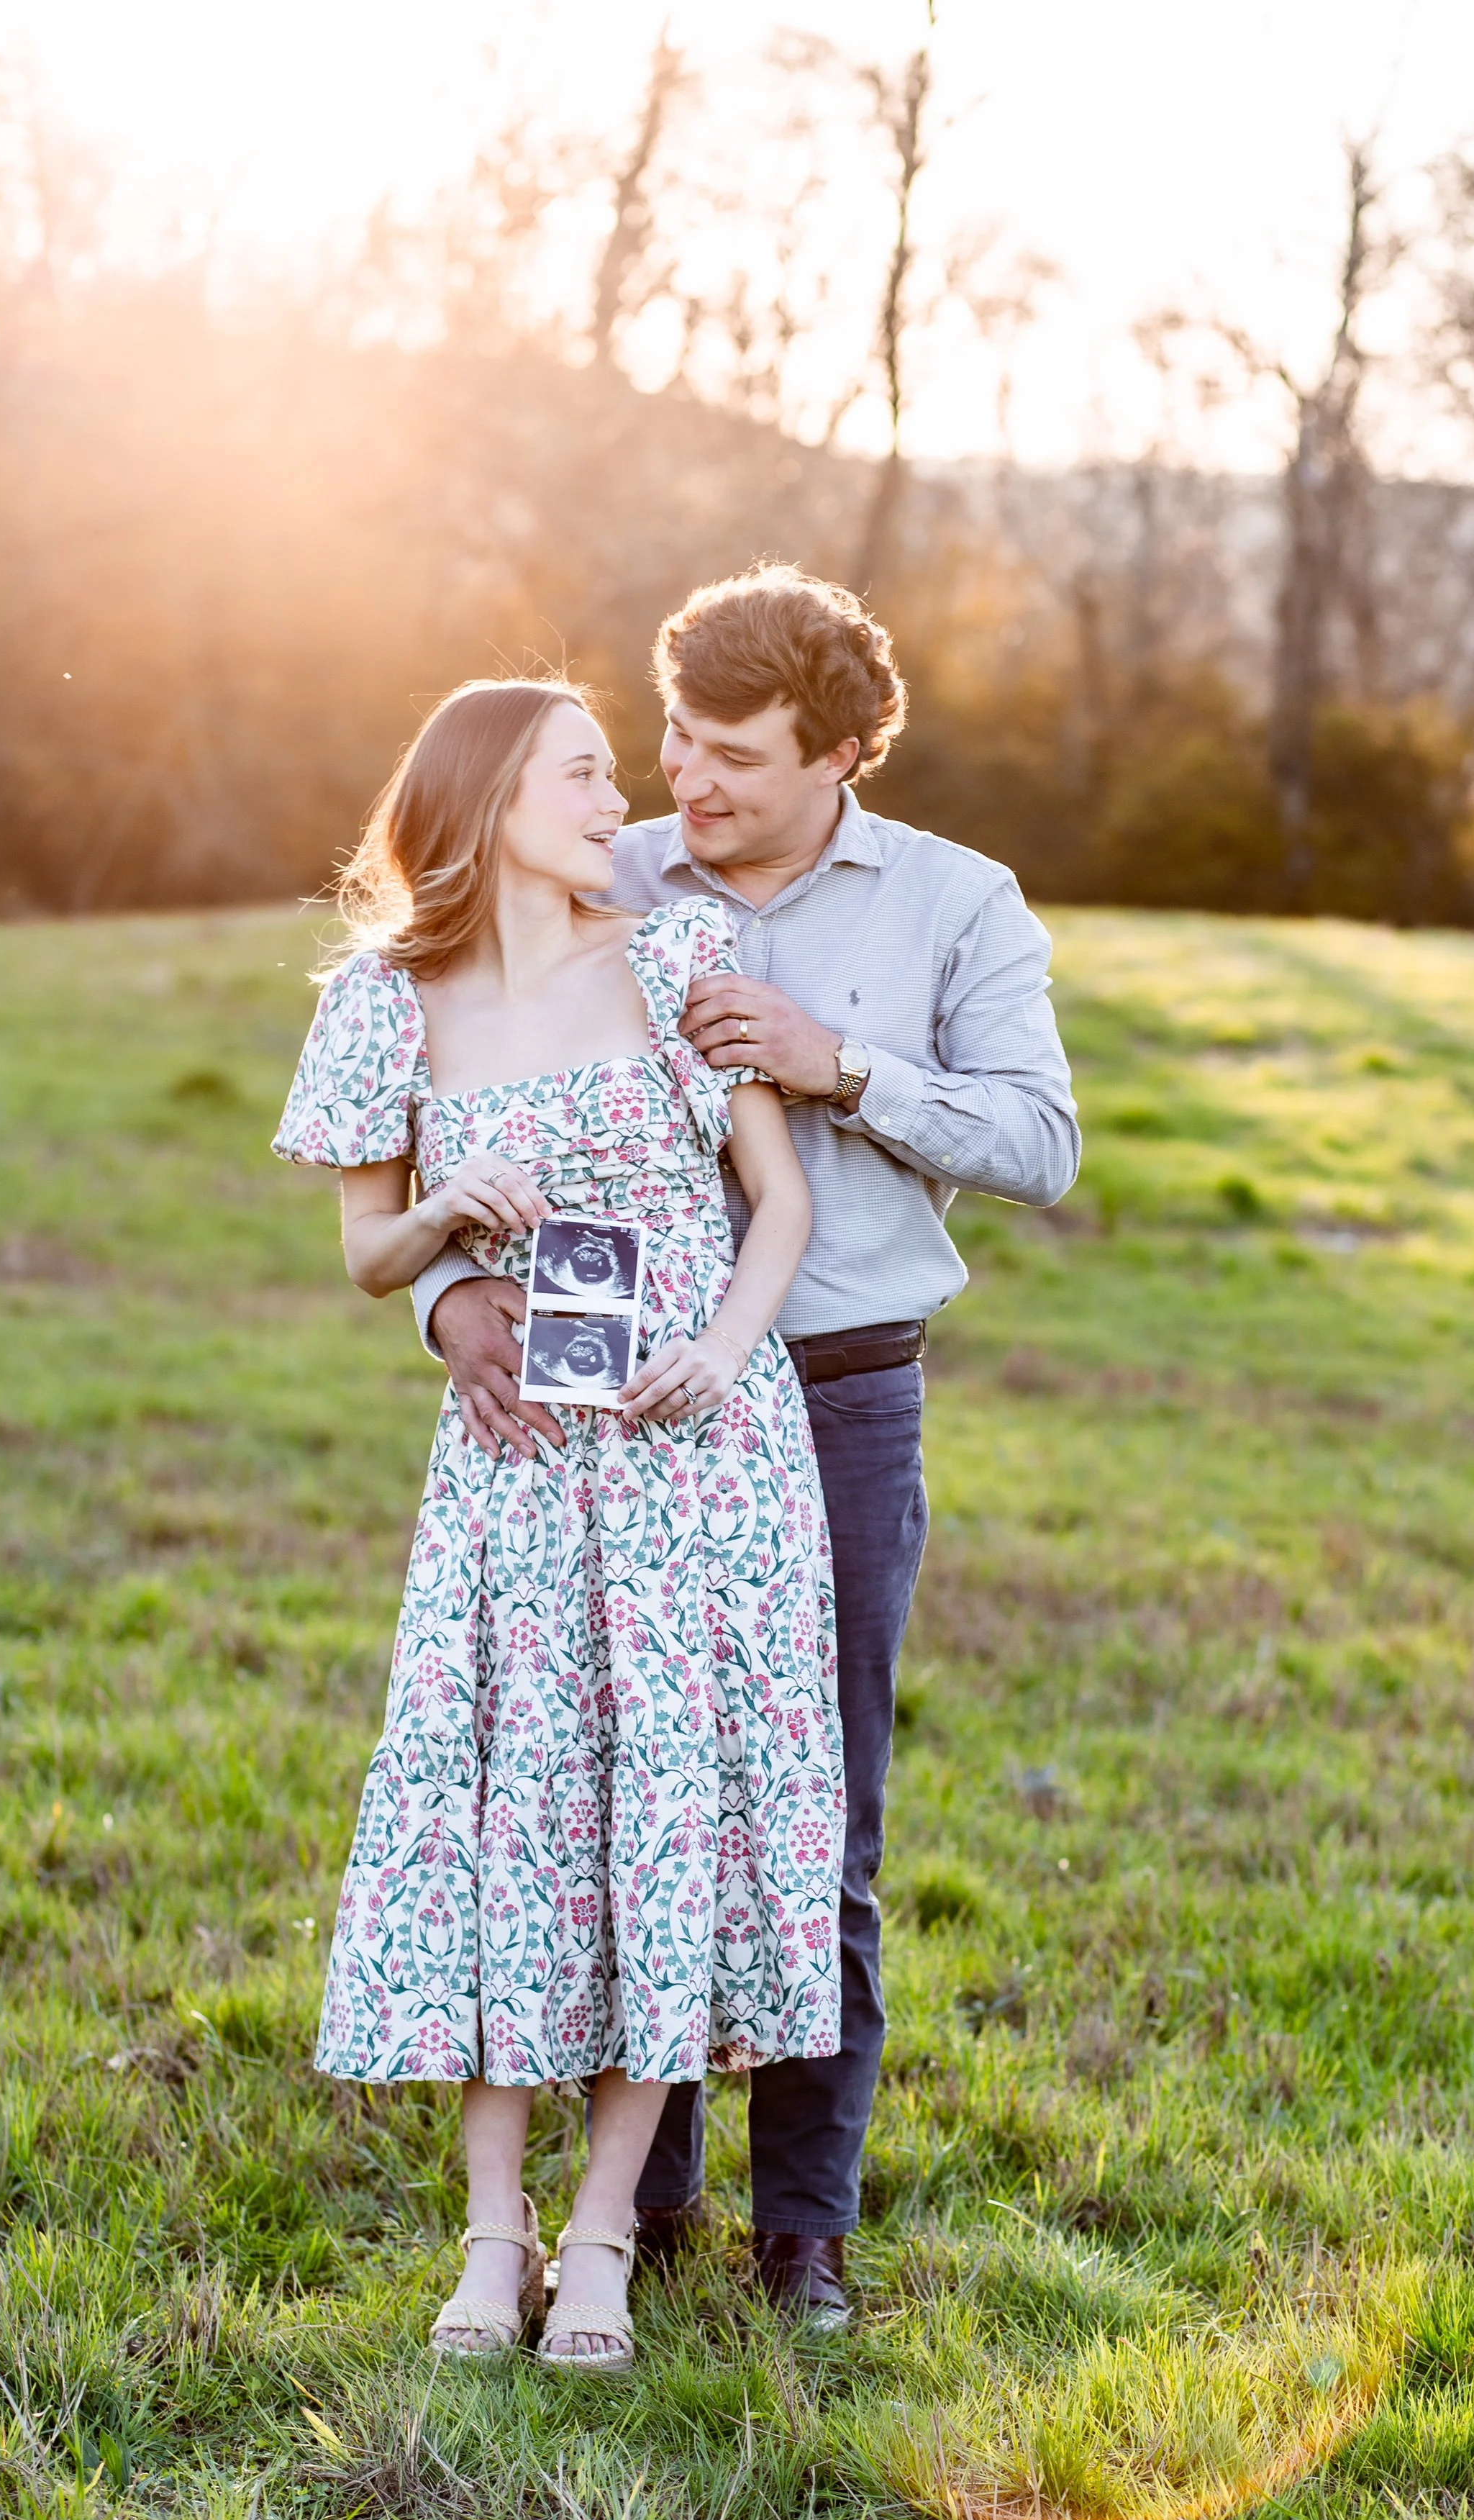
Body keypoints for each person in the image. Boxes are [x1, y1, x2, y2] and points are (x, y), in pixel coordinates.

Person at [412, 568, 1080, 2329]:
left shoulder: (953, 902)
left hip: (835, 1390)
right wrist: (443, 1304)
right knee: (625, 1801)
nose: (681, 786)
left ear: (843, 753)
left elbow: (1039, 1143)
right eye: (672, 744)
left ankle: (806, 2226)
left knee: (813, 1811)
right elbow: (449, 1086)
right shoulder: (605, 869)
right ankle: (647, 2199)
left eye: (734, 758)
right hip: (604, 1427)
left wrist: (836, 1063)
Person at [273, 676, 844, 2370]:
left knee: (665, 1821)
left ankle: (599, 2242)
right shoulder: (386, 1001)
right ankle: (488, 2238)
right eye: (588, 772)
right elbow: (369, 1255)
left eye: (615, 773)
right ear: (492, 790)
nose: (626, 798)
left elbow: (781, 1201)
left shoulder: (676, 967)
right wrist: (448, 1217)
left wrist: (718, 1357)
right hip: (517, 1479)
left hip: (702, 1469)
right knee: (506, 1827)